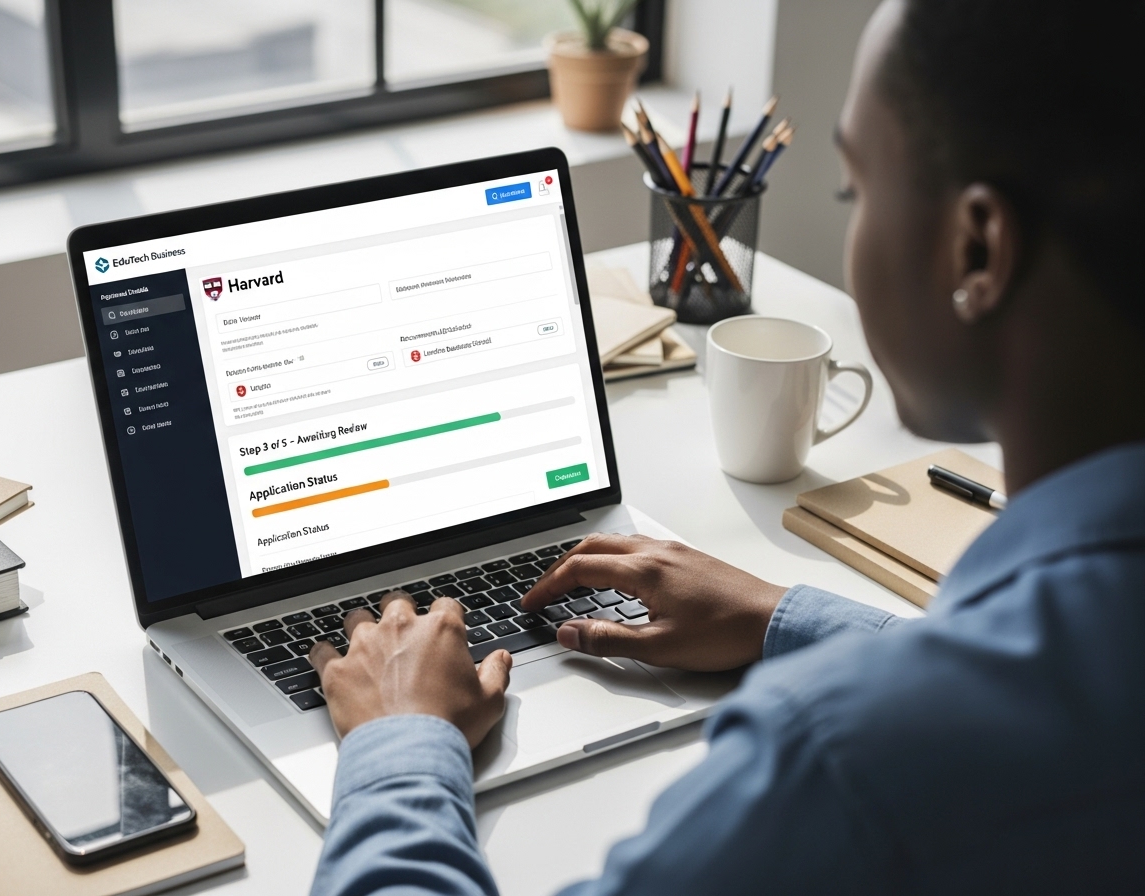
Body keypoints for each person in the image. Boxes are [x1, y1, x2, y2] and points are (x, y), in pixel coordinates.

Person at [307, 0, 1145, 891]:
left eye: (853, 190)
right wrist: (786, 618)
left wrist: (401, 743)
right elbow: (1033, 694)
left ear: (978, 250)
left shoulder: (841, 762)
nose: (853, 222)